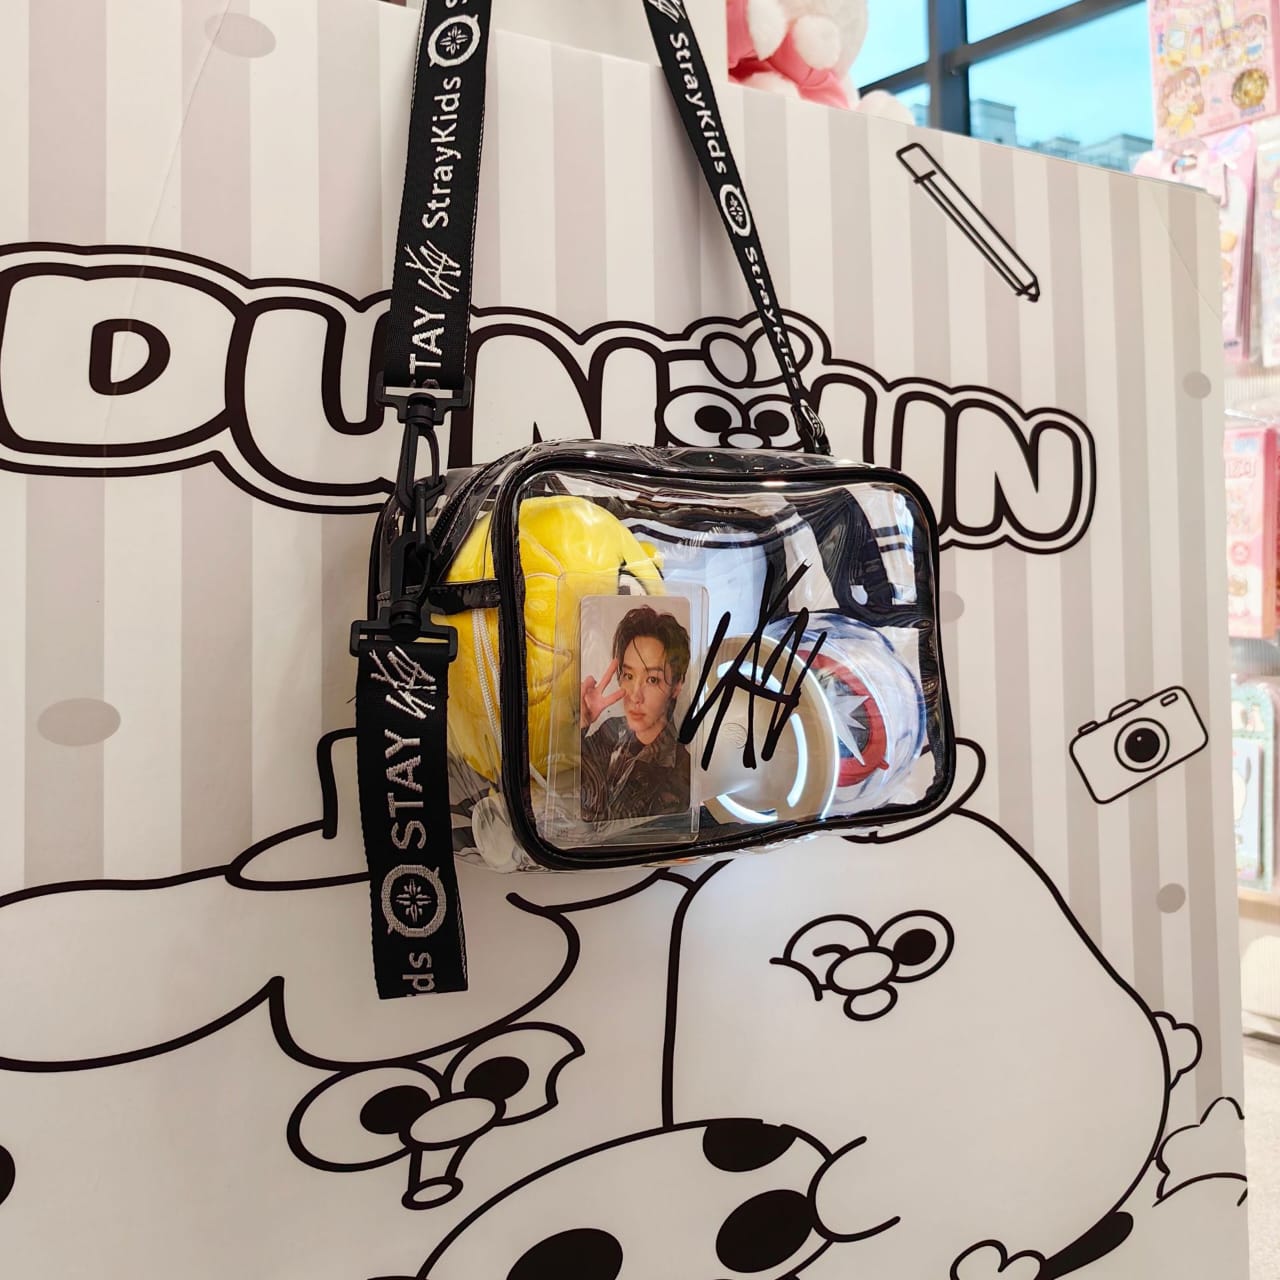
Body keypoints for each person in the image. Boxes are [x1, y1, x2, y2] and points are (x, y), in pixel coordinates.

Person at [579, 605, 692, 825]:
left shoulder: (678, 773)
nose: (635, 696)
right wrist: (580, 724)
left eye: (652, 680)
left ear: (676, 686)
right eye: (629, 676)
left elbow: (606, 830)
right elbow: (567, 780)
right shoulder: (611, 730)